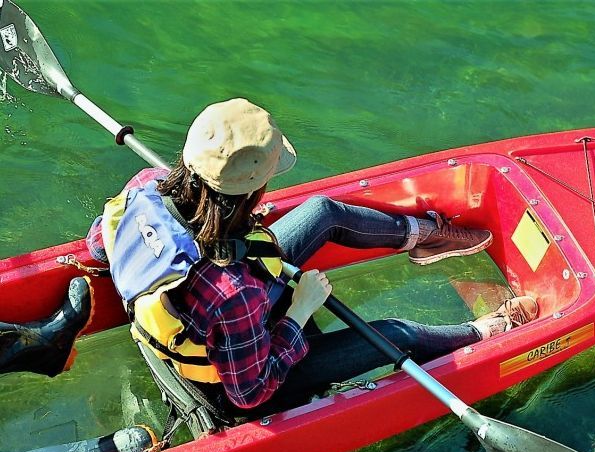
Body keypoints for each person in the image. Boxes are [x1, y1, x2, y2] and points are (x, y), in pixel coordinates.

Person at [4, 98, 538, 420]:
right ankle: (483, 333)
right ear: (254, 193)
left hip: (216, 295)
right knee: (394, 335)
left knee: (323, 211)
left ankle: (421, 236)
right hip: (235, 379)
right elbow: (252, 390)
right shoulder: (233, 293)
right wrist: (300, 312)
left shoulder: (145, 187)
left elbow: (100, 244)